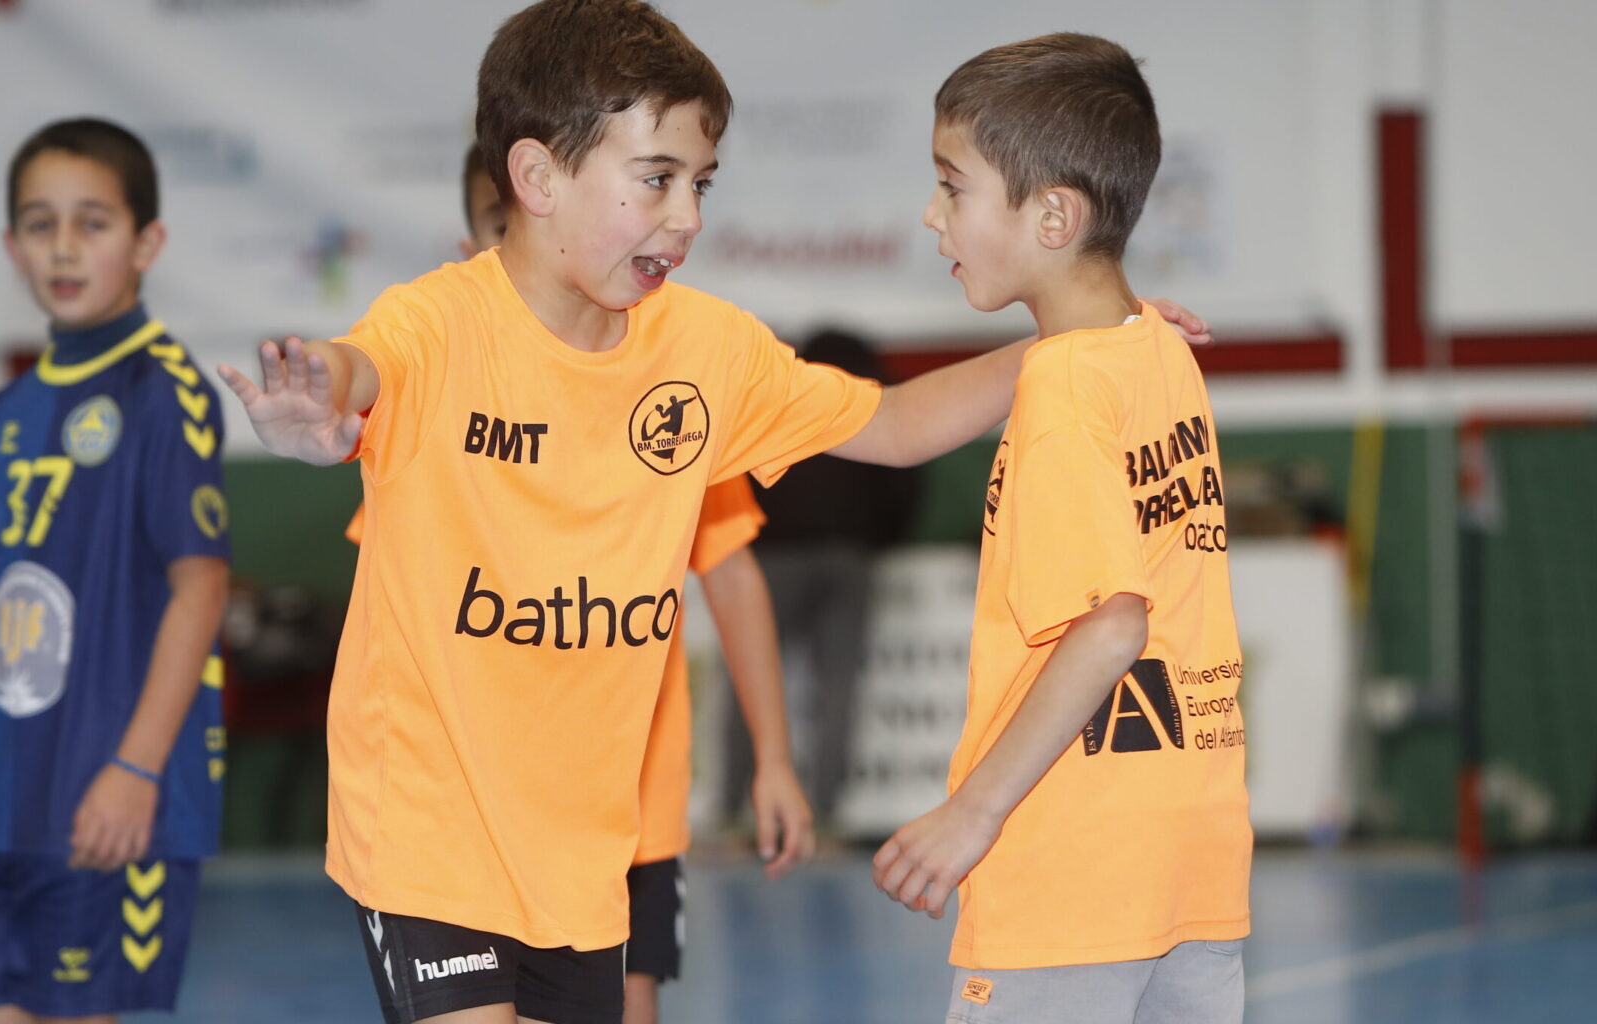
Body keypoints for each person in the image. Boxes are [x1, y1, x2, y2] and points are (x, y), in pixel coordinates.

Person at [219, 5, 1208, 1021]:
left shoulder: (704, 349)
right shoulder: (440, 323)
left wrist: (1081, 346)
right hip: (429, 822)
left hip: (584, 849)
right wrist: (315, 406)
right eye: (656, 178)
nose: (687, 216)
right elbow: (358, 371)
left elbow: (899, 421)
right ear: (538, 177)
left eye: (700, 183)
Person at [345, 142, 812, 1024]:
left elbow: (734, 576)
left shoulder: (674, 398)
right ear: (476, 245)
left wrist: (775, 758)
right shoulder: (441, 390)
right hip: (472, 814)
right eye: (499, 234)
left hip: (623, 805)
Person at [869, 34, 1250, 1024]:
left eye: (952, 185)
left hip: (1068, 864)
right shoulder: (1160, 350)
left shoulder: (1066, 389)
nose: (932, 212)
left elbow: (1113, 621)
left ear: (1051, 215)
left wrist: (973, 810)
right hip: (1191, 855)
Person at [0, 117, 231, 1023]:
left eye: (92, 222)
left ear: (147, 243)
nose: (63, 246)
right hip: (11, 802)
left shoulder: (167, 392)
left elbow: (200, 588)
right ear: (13, 246)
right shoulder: (9, 409)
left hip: (112, 801)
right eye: (41, 224)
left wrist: (134, 767)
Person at [727, 327, 924, 832]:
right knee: (838, 685)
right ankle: (828, 819)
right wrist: (878, 539)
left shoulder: (785, 388)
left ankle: (732, 814)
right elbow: (907, 480)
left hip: (776, 554)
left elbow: (740, 465)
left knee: (751, 679)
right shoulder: (877, 391)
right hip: (848, 556)